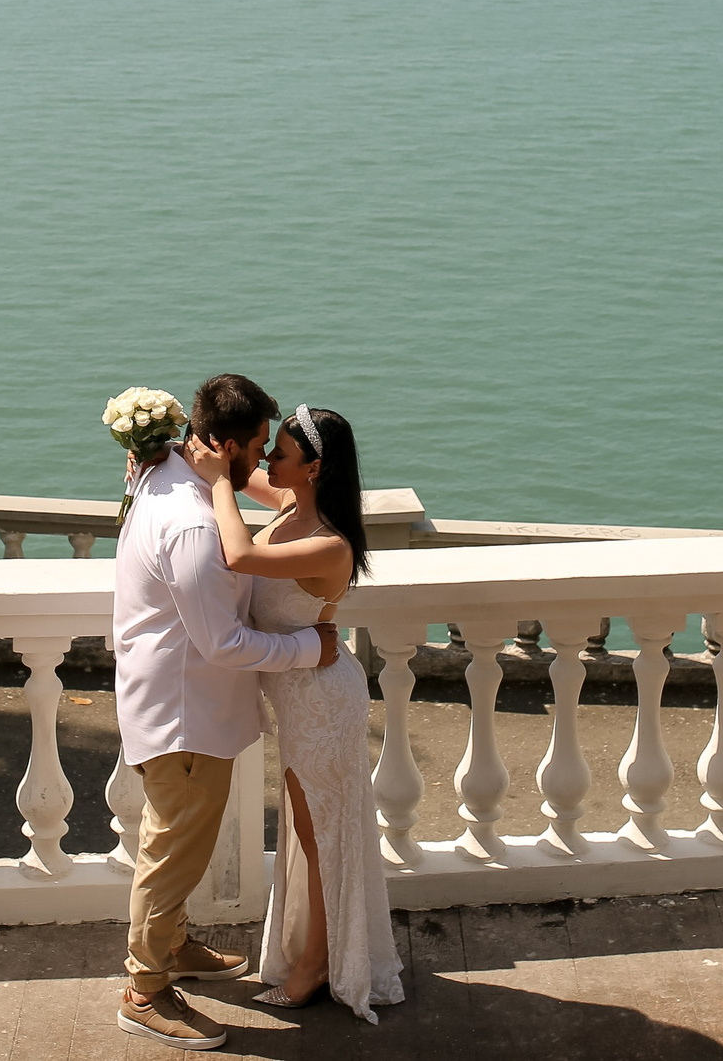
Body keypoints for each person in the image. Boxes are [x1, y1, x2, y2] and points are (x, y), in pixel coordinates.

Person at [113, 373, 341, 1051]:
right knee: (172, 853)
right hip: (186, 712)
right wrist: (309, 647)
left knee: (181, 844)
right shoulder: (190, 523)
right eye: (260, 445)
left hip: (177, 699)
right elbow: (224, 641)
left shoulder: (165, 470)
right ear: (226, 443)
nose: (264, 458)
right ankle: (143, 989)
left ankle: (174, 945)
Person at [190, 402, 405, 1023]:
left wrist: (219, 482)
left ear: (312, 467)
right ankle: (319, 953)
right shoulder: (289, 506)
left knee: (319, 836)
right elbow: (234, 470)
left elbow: (239, 556)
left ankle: (314, 968)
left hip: (321, 703)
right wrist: (179, 448)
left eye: (279, 452)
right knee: (308, 831)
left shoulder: (329, 544)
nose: (268, 460)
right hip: (299, 697)